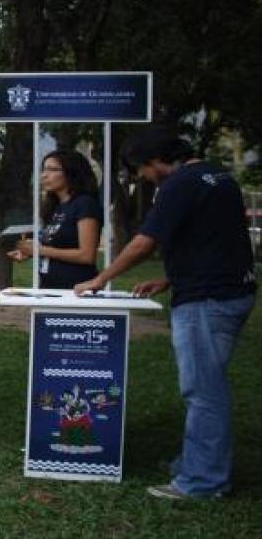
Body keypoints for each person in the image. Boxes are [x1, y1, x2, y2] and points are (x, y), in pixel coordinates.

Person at [74, 127, 256, 499]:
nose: (142, 177)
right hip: (231, 290)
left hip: (206, 300)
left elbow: (144, 242)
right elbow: (213, 240)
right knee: (206, 386)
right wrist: (170, 278)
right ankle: (192, 463)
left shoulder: (178, 184)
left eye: (141, 169)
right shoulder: (219, 177)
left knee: (203, 391)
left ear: (155, 161)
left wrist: (101, 278)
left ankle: (202, 482)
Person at [7, 150, 102, 288]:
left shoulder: (84, 204)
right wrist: (29, 252)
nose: (44, 175)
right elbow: (56, 247)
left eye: (52, 170)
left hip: (76, 289)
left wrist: (39, 250)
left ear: (71, 172)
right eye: (44, 170)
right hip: (49, 287)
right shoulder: (54, 207)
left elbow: (86, 255)